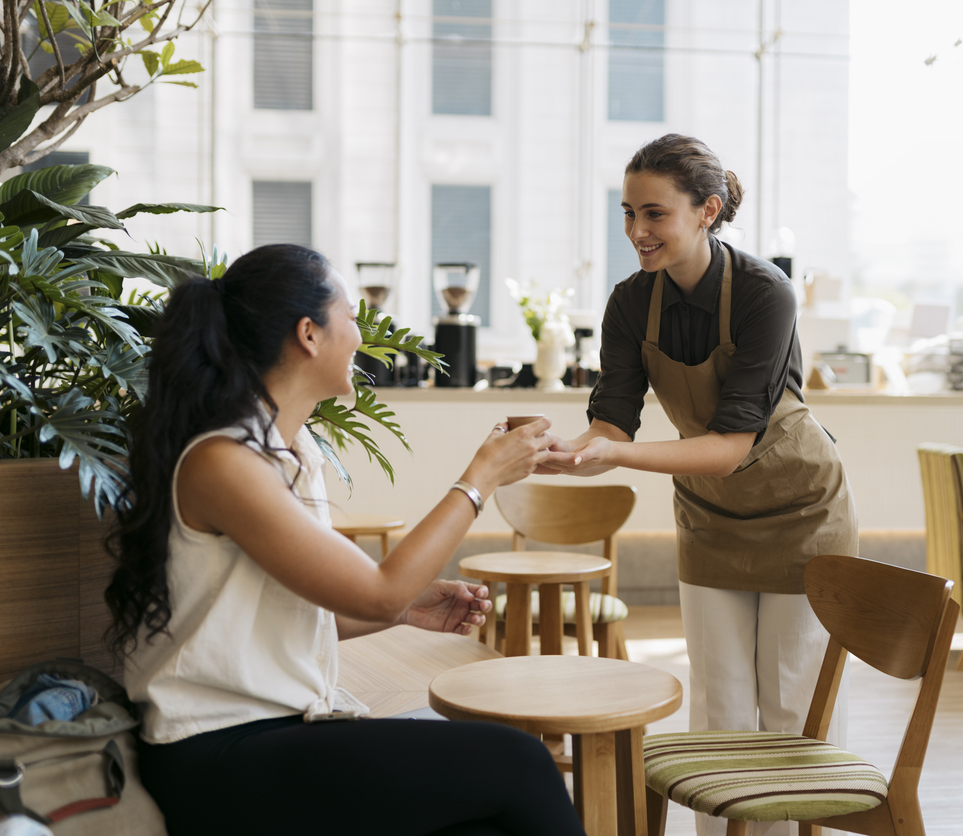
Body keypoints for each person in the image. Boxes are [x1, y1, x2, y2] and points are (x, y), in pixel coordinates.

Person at [104, 244, 584, 836]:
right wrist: (480, 478)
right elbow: (376, 591)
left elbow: (287, 616)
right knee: (522, 763)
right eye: (352, 318)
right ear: (309, 333)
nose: (360, 337)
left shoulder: (290, 450)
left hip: (278, 731)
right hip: (216, 754)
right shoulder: (222, 461)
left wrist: (409, 609)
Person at [545, 134, 859, 836]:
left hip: (802, 510)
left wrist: (613, 458)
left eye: (654, 214)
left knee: (792, 705)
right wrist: (568, 449)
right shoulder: (630, 303)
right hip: (712, 515)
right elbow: (615, 420)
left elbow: (728, 447)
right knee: (717, 706)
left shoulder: (763, 294)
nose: (637, 232)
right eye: (628, 213)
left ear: (707, 210)